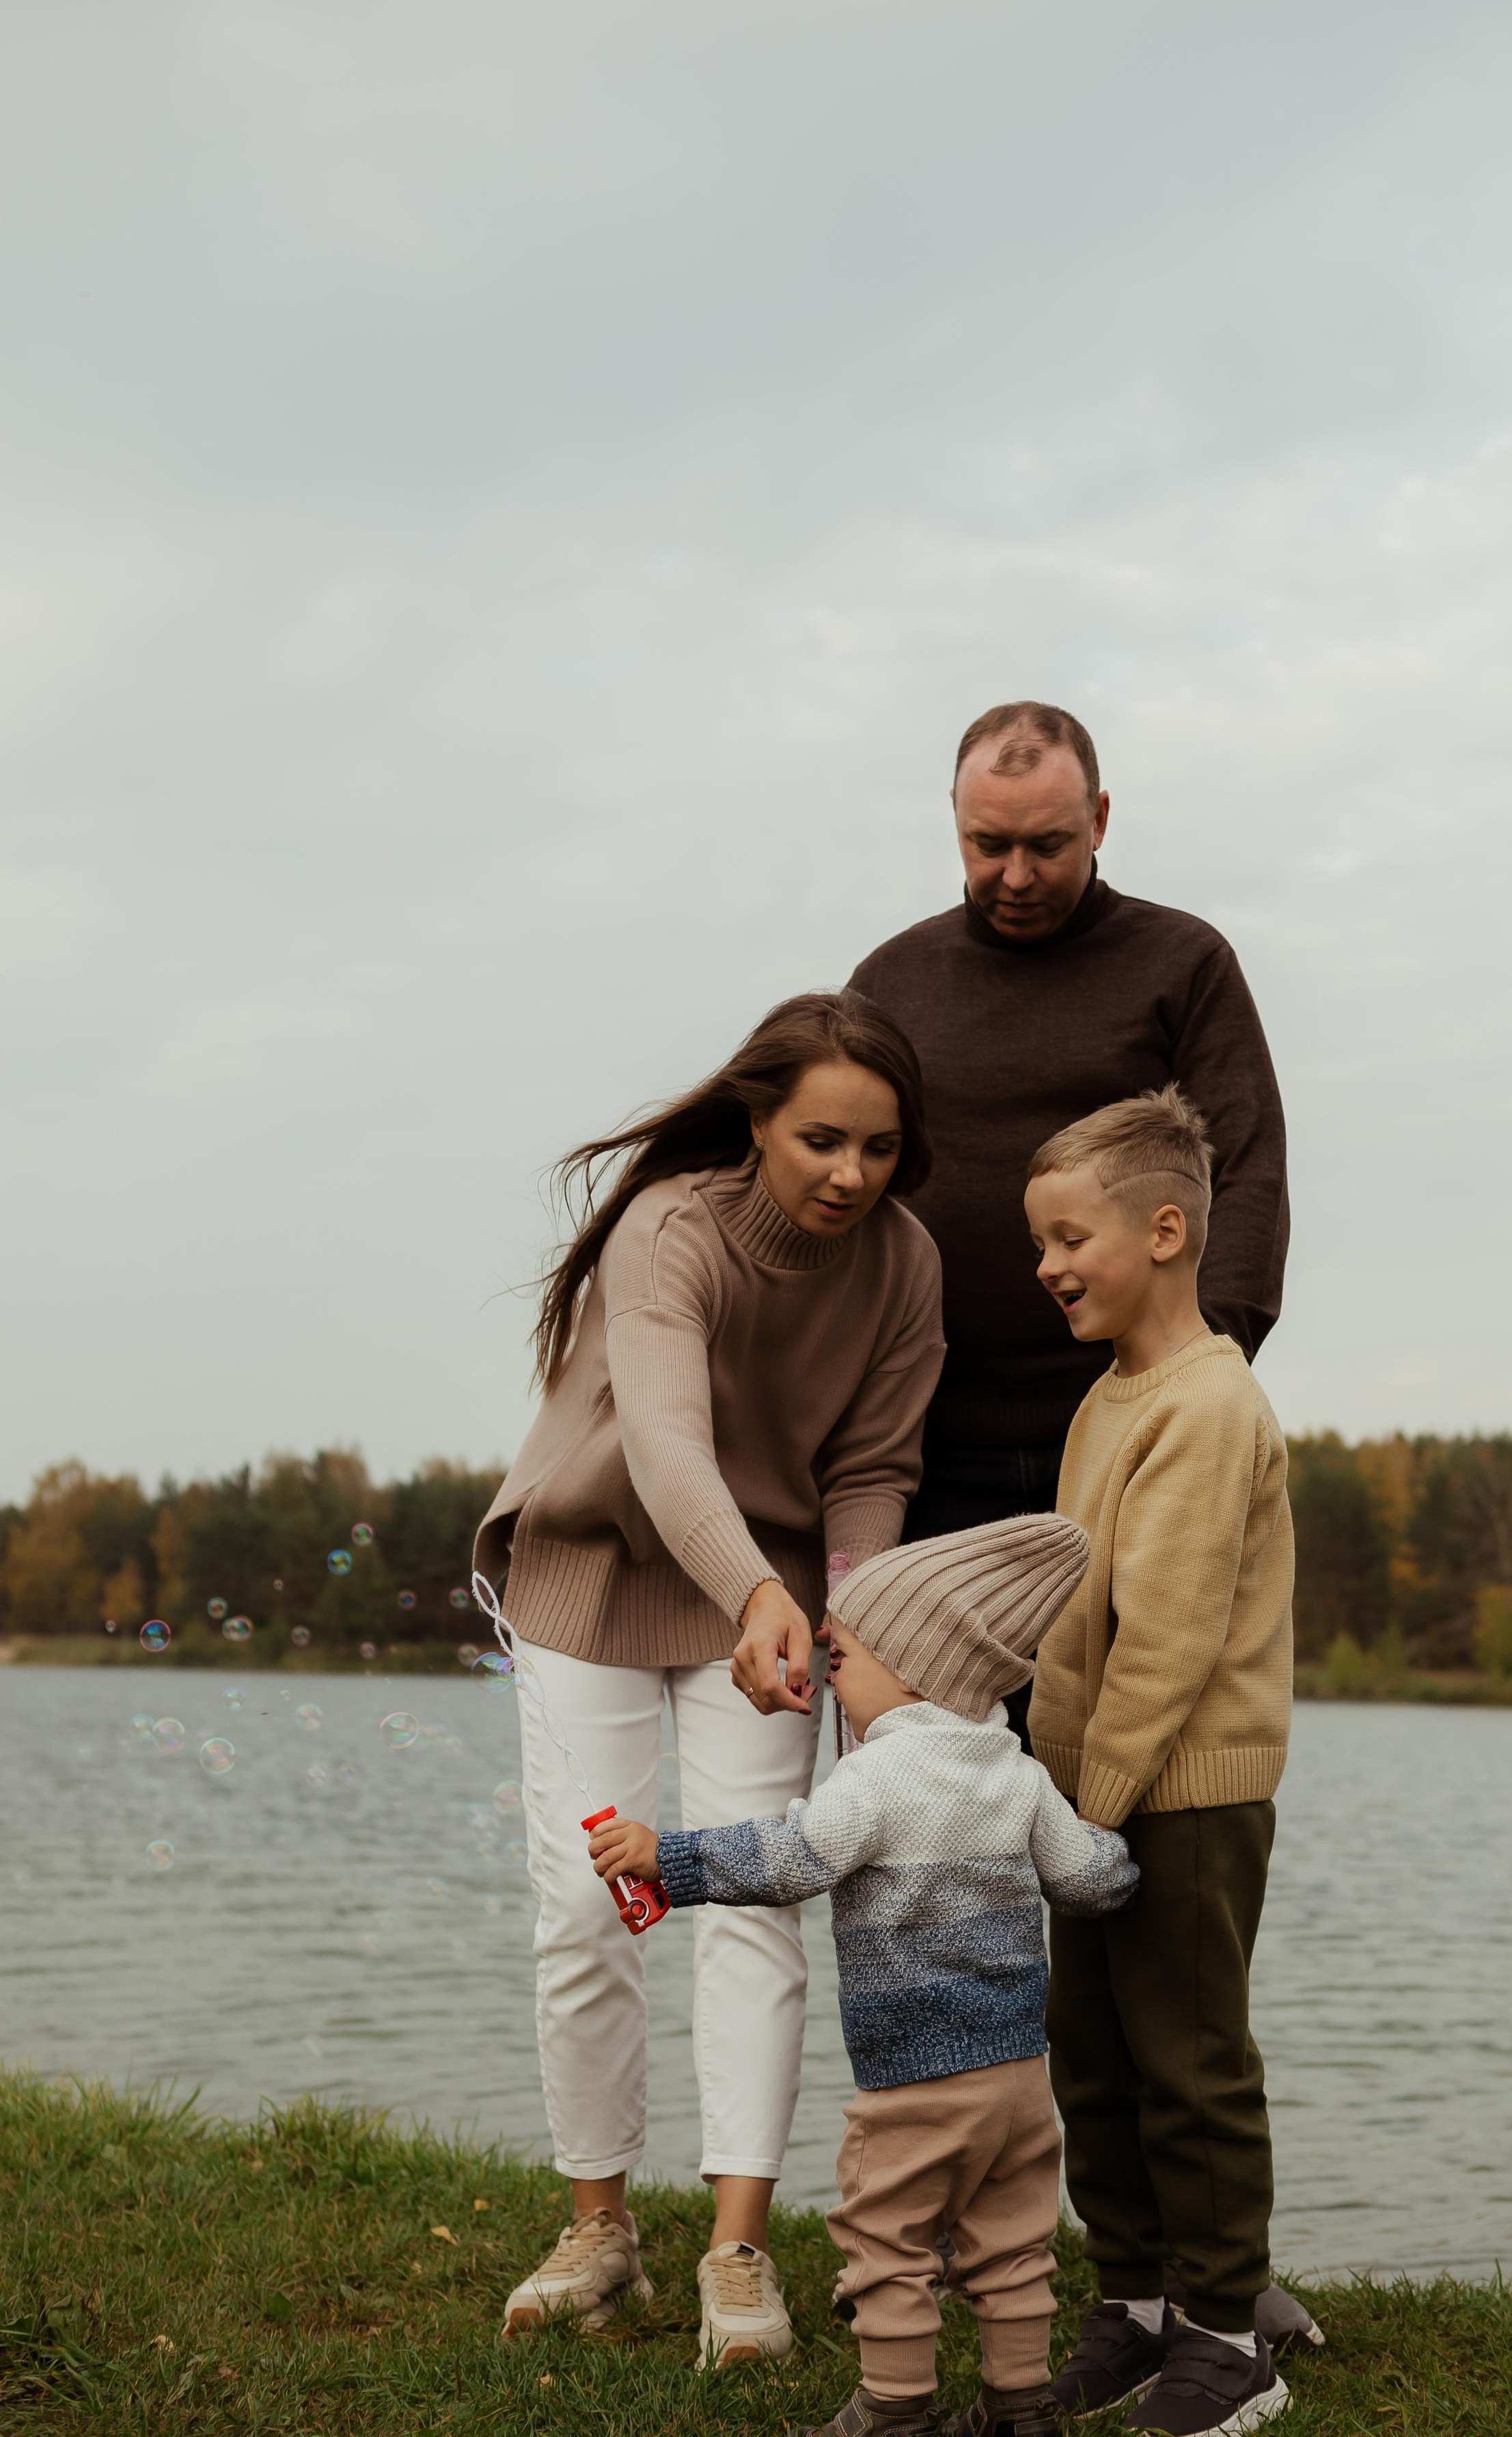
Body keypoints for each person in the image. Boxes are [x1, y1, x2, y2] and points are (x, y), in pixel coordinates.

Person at [475, 991, 945, 2367]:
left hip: (769, 1612)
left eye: (877, 1149)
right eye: (819, 1141)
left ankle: (735, 2250)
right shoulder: (666, 1228)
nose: (849, 1175)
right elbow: (671, 1444)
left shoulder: (903, 1265)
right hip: (594, 1573)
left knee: (753, 1901)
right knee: (590, 1899)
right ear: (754, 1120)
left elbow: (871, 1468)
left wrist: (848, 1628)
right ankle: (599, 2226)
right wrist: (751, 1587)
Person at [590, 1513, 1139, 2436]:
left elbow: (788, 1859)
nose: (829, 1669)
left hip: (915, 2081)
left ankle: (893, 2411)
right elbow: (1087, 1879)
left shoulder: (875, 1777)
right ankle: (1018, 2409)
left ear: (919, 1667)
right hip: (1015, 2078)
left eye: (844, 1657)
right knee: (1012, 2246)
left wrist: (668, 1860)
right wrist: (1130, 1856)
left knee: (888, 2242)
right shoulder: (1019, 1775)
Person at [847, 701, 1287, 1729]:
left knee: (1111, 1767)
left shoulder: (1185, 963)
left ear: (1098, 817)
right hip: (925, 1451)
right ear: (952, 822)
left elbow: (1250, 1174)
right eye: (985, 844)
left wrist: (1192, 1387)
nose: (1014, 873)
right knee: (924, 1792)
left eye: (1045, 844)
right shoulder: (889, 982)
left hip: (1124, 1443)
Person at [1024, 1088, 1295, 2437]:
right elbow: (1073, 1617)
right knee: (1093, 2054)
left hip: (1179, 1800)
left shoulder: (1208, 1405)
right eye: (1040, 1245)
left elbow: (1168, 1642)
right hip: (1091, 1801)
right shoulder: (1103, 1401)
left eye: (1069, 1238)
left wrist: (1096, 1817)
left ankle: (1228, 2330)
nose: (1048, 1267)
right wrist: (1054, 1798)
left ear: (1167, 1230)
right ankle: (1131, 2303)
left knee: (1188, 2065)